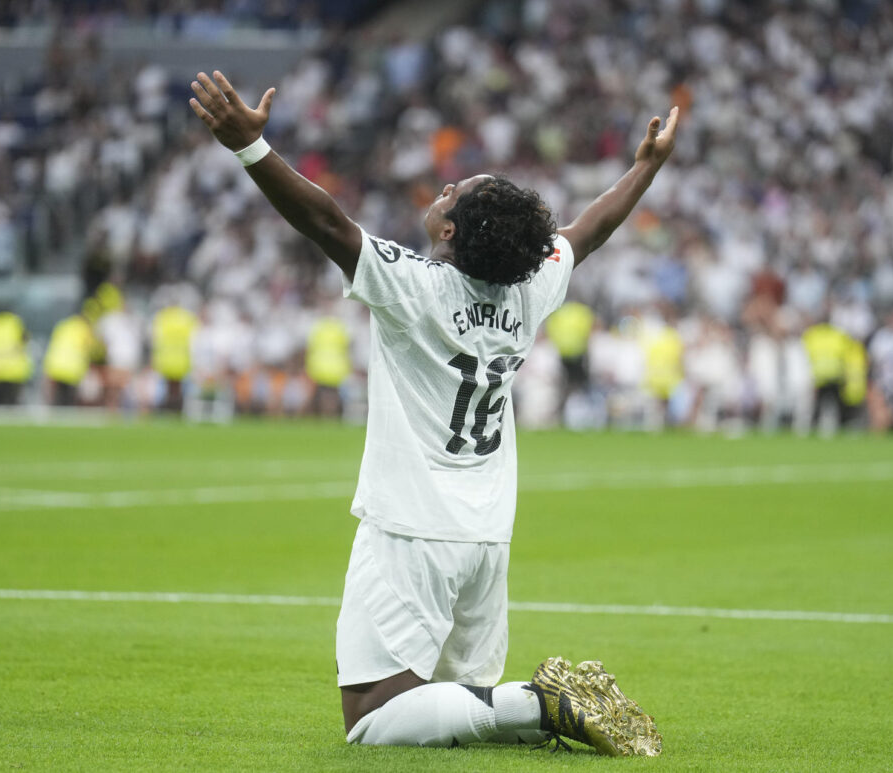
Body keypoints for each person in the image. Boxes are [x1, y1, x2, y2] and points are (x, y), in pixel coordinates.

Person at [190, 70, 677, 756]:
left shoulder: (413, 288)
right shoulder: (532, 289)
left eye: (453, 191)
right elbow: (587, 232)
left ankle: (539, 700)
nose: (443, 186)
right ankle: (527, 711)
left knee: (370, 716)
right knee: (455, 724)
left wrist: (251, 150)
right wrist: (643, 171)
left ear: (449, 228)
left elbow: (327, 222)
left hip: (411, 527)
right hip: (486, 535)